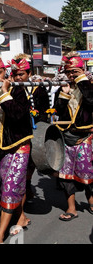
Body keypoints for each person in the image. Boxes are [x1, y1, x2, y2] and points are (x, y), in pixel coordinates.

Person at [0, 53, 33, 244]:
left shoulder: (17, 90)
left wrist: (5, 94)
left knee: (11, 187)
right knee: (8, 185)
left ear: (6, 71)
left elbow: (17, 115)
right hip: (1, 148)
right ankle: (20, 217)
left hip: (19, 145)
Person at [53, 52, 93, 221]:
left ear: (82, 71)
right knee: (65, 176)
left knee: (89, 174)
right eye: (69, 72)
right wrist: (64, 95)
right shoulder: (63, 89)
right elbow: (58, 111)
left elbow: (91, 100)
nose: (71, 75)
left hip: (85, 137)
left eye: (75, 71)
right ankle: (72, 208)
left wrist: (82, 80)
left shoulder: (89, 86)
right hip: (66, 138)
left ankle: (91, 201)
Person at [10, 53, 50, 203]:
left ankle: (26, 188)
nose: (18, 78)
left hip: (33, 133)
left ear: (29, 74)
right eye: (15, 74)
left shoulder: (38, 90)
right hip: (16, 133)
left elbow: (45, 112)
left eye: (21, 74)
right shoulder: (12, 89)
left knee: (29, 166)